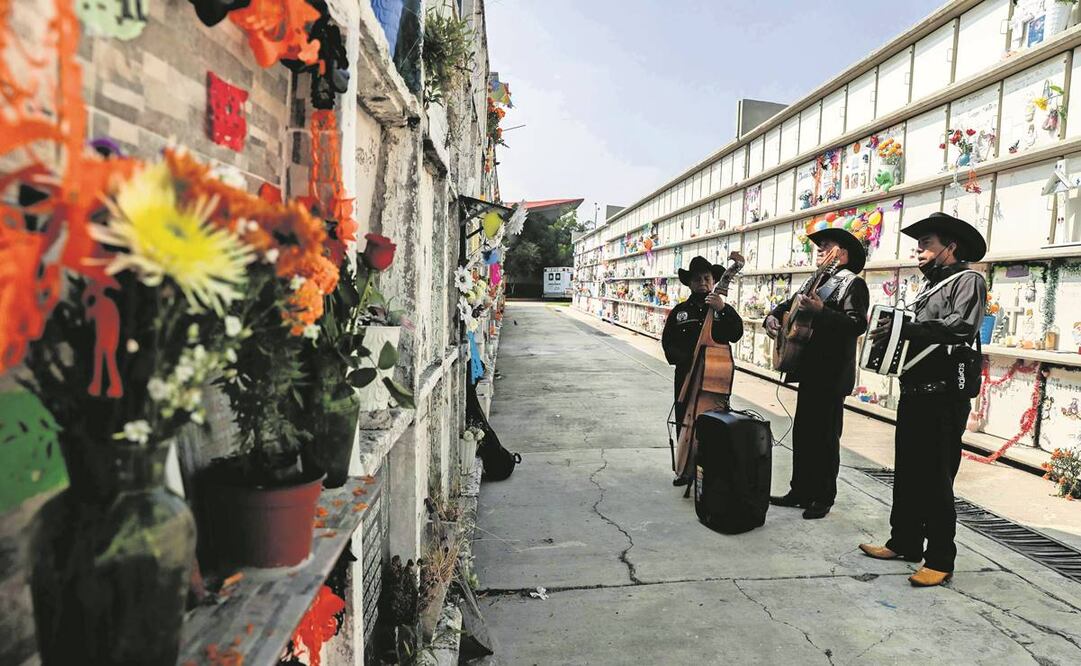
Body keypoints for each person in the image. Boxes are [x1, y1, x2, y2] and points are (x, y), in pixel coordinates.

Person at [859, 212, 987, 588]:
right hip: (915, 394)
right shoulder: (929, 287)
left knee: (935, 478)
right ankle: (905, 542)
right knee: (909, 473)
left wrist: (907, 328)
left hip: (943, 398)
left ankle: (940, 559)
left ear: (951, 247)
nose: (919, 250)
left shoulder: (969, 280)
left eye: (927, 243)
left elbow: (961, 327)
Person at [764, 228, 869, 520]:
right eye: (819, 247)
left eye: (826, 246)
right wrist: (771, 317)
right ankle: (800, 491)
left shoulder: (852, 285)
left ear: (843, 254)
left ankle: (823, 496)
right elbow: (786, 307)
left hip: (832, 373)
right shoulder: (816, 282)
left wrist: (822, 311)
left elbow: (856, 324)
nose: (820, 250)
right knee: (804, 433)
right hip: (809, 370)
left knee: (825, 437)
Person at [662, 255, 743, 486]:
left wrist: (723, 309)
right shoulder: (679, 312)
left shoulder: (720, 308)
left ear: (714, 280)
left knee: (713, 426)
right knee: (684, 421)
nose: (702, 283)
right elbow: (668, 343)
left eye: (707, 278)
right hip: (687, 376)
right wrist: (687, 358)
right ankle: (684, 468)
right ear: (689, 283)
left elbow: (736, 333)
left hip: (713, 381)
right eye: (697, 279)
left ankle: (708, 470)